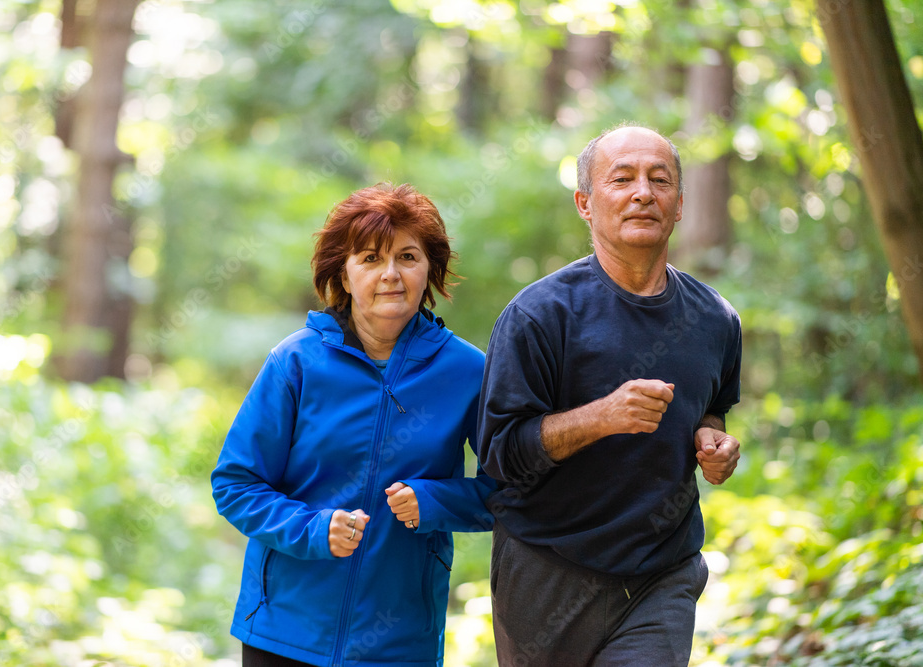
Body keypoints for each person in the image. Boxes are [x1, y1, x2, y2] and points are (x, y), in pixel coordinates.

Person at [477, 124, 743, 666]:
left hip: (660, 575)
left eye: (658, 179)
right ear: (585, 203)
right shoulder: (539, 316)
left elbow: (711, 408)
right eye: (621, 179)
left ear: (679, 204)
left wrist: (713, 443)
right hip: (547, 569)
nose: (642, 192)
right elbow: (501, 455)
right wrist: (601, 417)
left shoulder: (716, 318)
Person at [211, 182, 495, 667]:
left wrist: (433, 501)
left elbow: (509, 492)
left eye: (408, 257)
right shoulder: (295, 362)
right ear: (343, 275)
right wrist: (313, 530)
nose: (390, 274)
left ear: (430, 270)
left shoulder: (469, 371)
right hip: (284, 631)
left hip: (398, 641)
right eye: (369, 259)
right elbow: (236, 485)